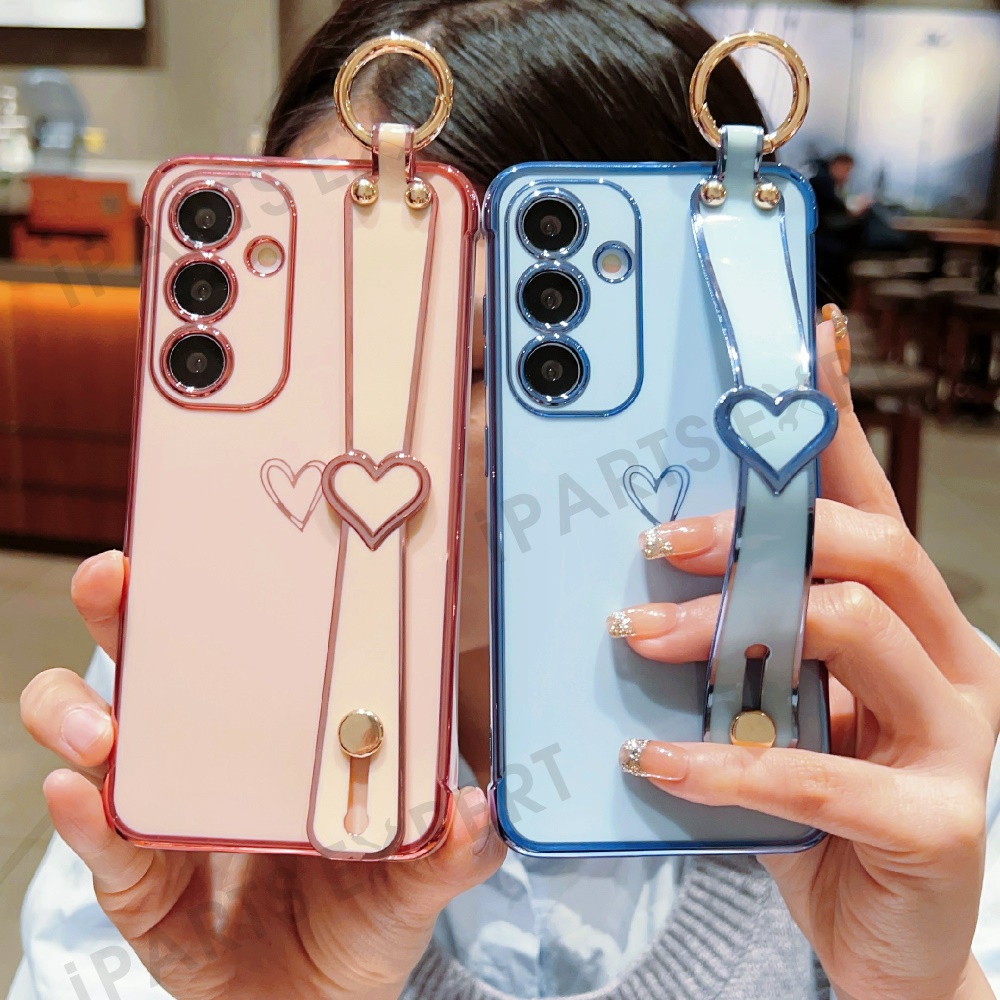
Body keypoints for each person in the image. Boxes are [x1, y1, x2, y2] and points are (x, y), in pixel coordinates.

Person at [13, 3, 1000, 998]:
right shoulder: (189, 680)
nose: (371, 452)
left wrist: (924, 986)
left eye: (491, 364)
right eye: (320, 352)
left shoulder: (902, 718)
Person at [811, 152, 871, 309]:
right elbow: (834, 214)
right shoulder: (823, 183)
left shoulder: (826, 182)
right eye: (846, 170)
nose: (847, 175)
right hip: (822, 243)